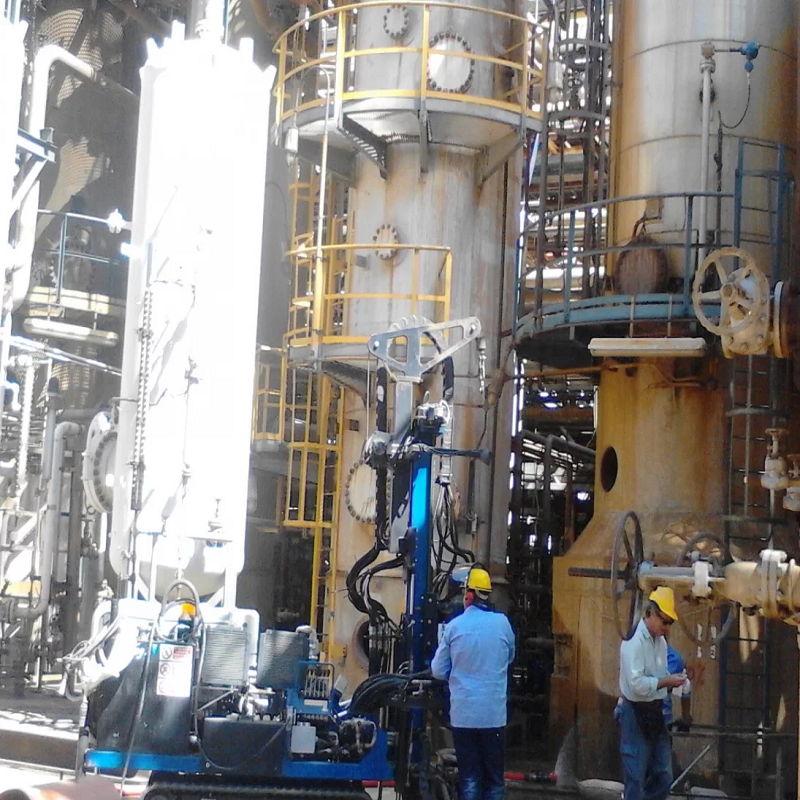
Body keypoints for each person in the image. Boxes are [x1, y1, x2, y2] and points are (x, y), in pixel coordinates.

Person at [431, 567, 515, 800]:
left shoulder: (454, 627)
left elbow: (437, 671)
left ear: (468, 594)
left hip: (464, 716)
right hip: (493, 717)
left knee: (470, 779)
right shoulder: (503, 624)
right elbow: (509, 657)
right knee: (494, 781)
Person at [617, 586, 686, 800]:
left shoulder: (660, 642)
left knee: (664, 775)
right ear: (650, 613)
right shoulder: (633, 641)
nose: (667, 627)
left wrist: (674, 681)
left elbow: (659, 673)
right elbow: (636, 683)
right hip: (634, 711)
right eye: (664, 621)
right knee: (635, 777)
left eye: (670, 623)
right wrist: (666, 681)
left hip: (655, 711)